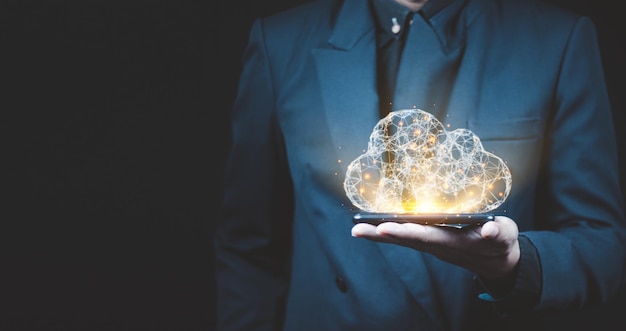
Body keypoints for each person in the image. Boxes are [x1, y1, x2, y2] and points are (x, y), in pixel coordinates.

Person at [214, 0, 626, 330]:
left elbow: (605, 245)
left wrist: (516, 264)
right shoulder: (282, 42)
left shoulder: (556, 39)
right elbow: (248, 243)